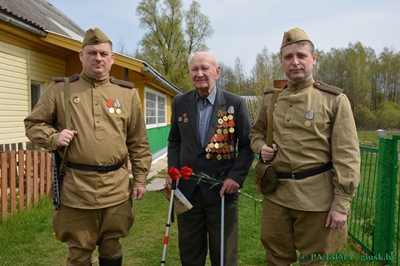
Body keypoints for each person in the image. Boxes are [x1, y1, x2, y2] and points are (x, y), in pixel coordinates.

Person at [24, 28, 152, 266]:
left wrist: (141, 179)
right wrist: (54, 137)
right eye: (92, 52)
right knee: (79, 252)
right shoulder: (61, 89)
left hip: (116, 189)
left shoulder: (127, 94)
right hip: (76, 188)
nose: (98, 58)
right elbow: (33, 124)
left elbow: (138, 141)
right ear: (81, 56)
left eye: (104, 53)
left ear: (112, 58)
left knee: (112, 247)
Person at [249, 27, 360, 265]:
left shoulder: (334, 100)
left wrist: (341, 204)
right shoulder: (271, 98)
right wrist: (261, 148)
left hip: (316, 198)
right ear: (281, 61)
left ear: (314, 58)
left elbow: (347, 156)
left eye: (301, 55)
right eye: (288, 57)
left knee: (314, 261)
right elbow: (256, 133)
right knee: (276, 258)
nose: (295, 62)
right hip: (276, 194)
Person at [166, 51, 254, 265]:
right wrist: (173, 170)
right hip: (187, 192)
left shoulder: (235, 104)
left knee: (223, 253)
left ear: (217, 72)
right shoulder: (180, 102)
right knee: (190, 252)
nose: (199, 73)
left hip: (222, 191)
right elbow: (175, 141)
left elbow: (247, 146)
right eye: (194, 69)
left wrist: (236, 177)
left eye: (204, 68)